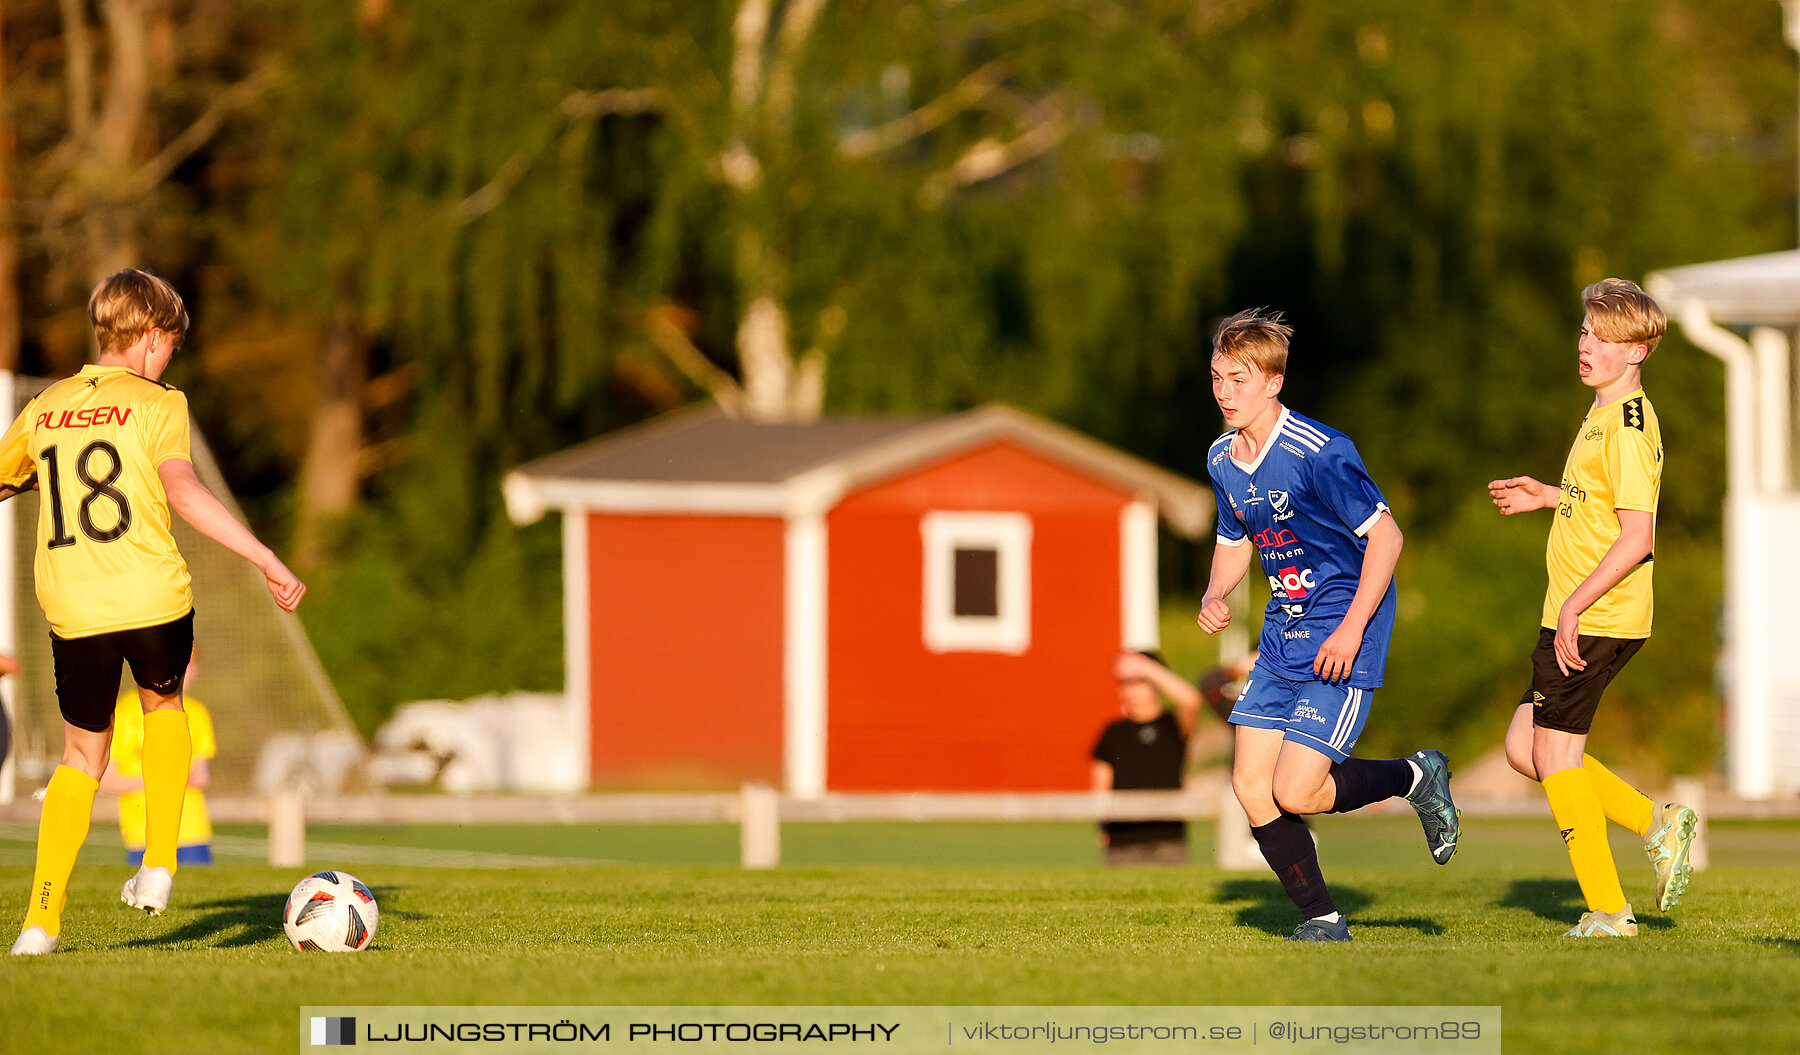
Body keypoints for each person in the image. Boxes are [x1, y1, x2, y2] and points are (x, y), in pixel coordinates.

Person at [2, 269, 305, 956]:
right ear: (149, 336)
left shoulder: (46, 406)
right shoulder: (157, 402)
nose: (170, 358)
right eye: (170, 343)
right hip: (151, 592)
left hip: (74, 603)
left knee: (82, 754)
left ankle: (40, 922)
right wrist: (265, 557)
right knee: (164, 708)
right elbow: (184, 491)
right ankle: (160, 862)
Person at [1196, 307, 1460, 942]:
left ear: (1273, 382)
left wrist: (1351, 628)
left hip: (1343, 634)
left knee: (1299, 790)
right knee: (1251, 786)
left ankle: (1416, 776)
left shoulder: (1321, 452)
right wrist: (1214, 592)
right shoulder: (1222, 459)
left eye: (1239, 378)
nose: (1225, 392)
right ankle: (1323, 919)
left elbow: (1388, 539)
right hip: (1282, 635)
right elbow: (1235, 539)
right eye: (1216, 378)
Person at [1488, 278, 1698, 938]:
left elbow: (1639, 537)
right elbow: (1605, 505)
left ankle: (1609, 910)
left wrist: (1576, 607)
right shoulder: (1605, 413)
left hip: (1596, 615)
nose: (1587, 346)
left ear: (1636, 351)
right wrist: (1552, 495)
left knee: (1554, 757)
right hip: (1581, 611)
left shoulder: (1630, 427)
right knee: (1526, 746)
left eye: (1604, 339)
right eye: (1585, 331)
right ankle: (1657, 822)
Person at [102, 648, 217, 867]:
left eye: (191, 665)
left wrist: (198, 777)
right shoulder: (124, 712)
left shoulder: (198, 712)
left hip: (193, 833)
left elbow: (203, 772)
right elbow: (107, 780)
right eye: (183, 665)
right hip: (142, 835)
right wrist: (161, 781)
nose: (190, 672)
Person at [1089, 650, 1204, 865]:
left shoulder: (1173, 725)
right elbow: (1100, 783)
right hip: (1123, 838)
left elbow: (1191, 700)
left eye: (1139, 682)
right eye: (1125, 683)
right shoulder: (1113, 731)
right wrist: (1102, 824)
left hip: (1169, 836)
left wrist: (1148, 668)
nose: (1131, 691)